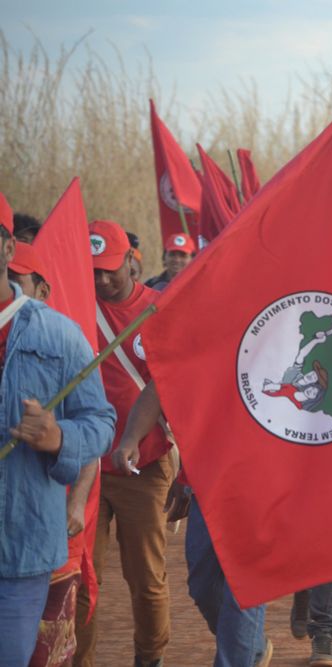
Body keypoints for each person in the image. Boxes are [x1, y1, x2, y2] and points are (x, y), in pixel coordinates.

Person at [0, 195, 116, 667]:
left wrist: (59, 438)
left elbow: (100, 422)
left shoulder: (59, 335)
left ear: (7, 246)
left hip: (22, 547)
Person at [116, 381, 274, 666]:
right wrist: (130, 439)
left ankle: (241, 655)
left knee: (242, 586)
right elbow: (159, 387)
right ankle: (252, 646)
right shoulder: (193, 338)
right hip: (206, 481)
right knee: (202, 585)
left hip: (259, 479)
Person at [75, 220, 173, 667]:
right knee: (79, 576)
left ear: (132, 263)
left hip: (144, 466)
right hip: (83, 468)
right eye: (92, 269)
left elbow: (174, 387)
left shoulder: (160, 309)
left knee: (146, 577)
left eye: (109, 269)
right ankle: (78, 658)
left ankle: (148, 658)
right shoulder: (73, 308)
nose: (100, 279)